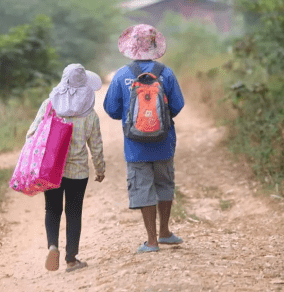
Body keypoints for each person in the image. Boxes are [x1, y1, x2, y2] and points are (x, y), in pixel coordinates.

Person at [103, 24, 185, 253]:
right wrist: (159, 120)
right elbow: (177, 105)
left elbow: (110, 109)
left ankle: (151, 241)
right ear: (155, 45)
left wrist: (133, 119)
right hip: (164, 142)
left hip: (135, 146)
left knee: (143, 188)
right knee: (164, 184)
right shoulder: (166, 73)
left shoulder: (122, 75)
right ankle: (165, 232)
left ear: (130, 48)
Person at [26, 63, 106, 272]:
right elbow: (96, 146)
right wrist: (100, 168)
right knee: (73, 212)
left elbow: (32, 133)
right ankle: (71, 259)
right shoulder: (90, 114)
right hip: (78, 172)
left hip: (51, 169)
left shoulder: (49, 105)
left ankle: (53, 245)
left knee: (52, 209)